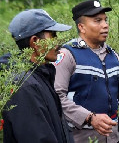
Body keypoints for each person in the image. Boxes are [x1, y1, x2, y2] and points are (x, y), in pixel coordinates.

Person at [54, 0, 119, 143]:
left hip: (112, 137)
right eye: (97, 21)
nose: (105, 25)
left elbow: (114, 92)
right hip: (81, 138)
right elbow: (56, 97)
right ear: (82, 27)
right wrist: (89, 118)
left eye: (105, 20)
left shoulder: (113, 56)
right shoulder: (68, 55)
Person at [0, 9, 74, 143]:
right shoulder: (23, 85)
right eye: (53, 35)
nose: (59, 43)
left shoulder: (40, 75)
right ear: (35, 42)